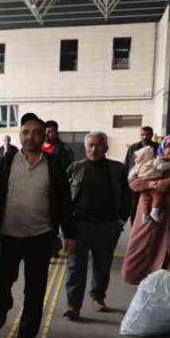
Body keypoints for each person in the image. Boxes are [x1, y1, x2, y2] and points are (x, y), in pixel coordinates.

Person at [0, 113, 75, 338]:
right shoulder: (8, 161)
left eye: (37, 133)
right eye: (26, 132)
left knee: (36, 290)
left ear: (44, 136)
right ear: (20, 135)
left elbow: (64, 202)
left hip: (41, 236)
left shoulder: (53, 165)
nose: (31, 137)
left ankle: (26, 336)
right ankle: (3, 306)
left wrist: (70, 233)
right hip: (8, 236)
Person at [63, 132, 131, 321]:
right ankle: (73, 305)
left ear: (106, 148)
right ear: (85, 148)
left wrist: (121, 221)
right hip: (79, 226)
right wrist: (65, 226)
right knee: (76, 267)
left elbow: (127, 197)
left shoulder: (118, 169)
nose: (94, 149)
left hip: (107, 226)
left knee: (102, 265)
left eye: (99, 145)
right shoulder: (75, 168)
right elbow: (64, 199)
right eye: (91, 145)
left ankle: (98, 297)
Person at [122, 135, 170, 285]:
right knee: (141, 243)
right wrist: (151, 185)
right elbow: (134, 182)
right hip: (149, 212)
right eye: (169, 146)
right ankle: (138, 276)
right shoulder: (150, 161)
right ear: (162, 147)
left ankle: (168, 282)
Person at [128, 144, 170, 223]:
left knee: (145, 200)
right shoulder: (155, 161)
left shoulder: (139, 165)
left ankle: (145, 215)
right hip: (154, 182)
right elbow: (133, 183)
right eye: (169, 146)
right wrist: (168, 165)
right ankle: (154, 211)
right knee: (157, 196)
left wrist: (169, 180)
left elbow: (131, 175)